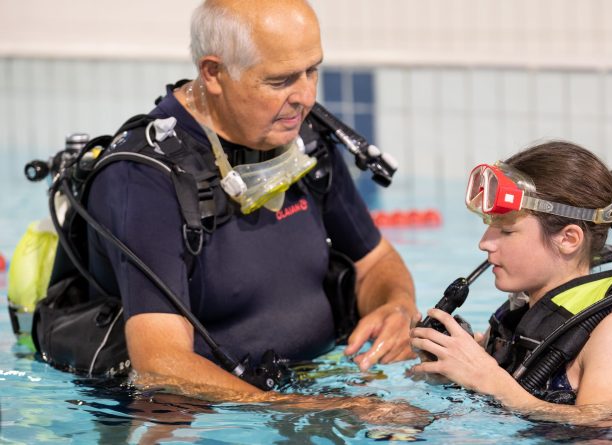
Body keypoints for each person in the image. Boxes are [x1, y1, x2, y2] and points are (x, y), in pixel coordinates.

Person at [83, 0, 418, 399]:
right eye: (280, 81)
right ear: (214, 73)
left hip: (312, 385)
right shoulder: (144, 179)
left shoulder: (303, 138)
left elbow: (375, 261)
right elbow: (160, 366)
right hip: (214, 414)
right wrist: (315, 409)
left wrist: (397, 306)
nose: (306, 96)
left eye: (312, 71)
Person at [409, 141, 612, 423]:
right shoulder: (516, 316)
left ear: (568, 239)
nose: (484, 243)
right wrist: (446, 372)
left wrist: (490, 380)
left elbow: (610, 429)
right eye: (489, 226)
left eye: (506, 231)